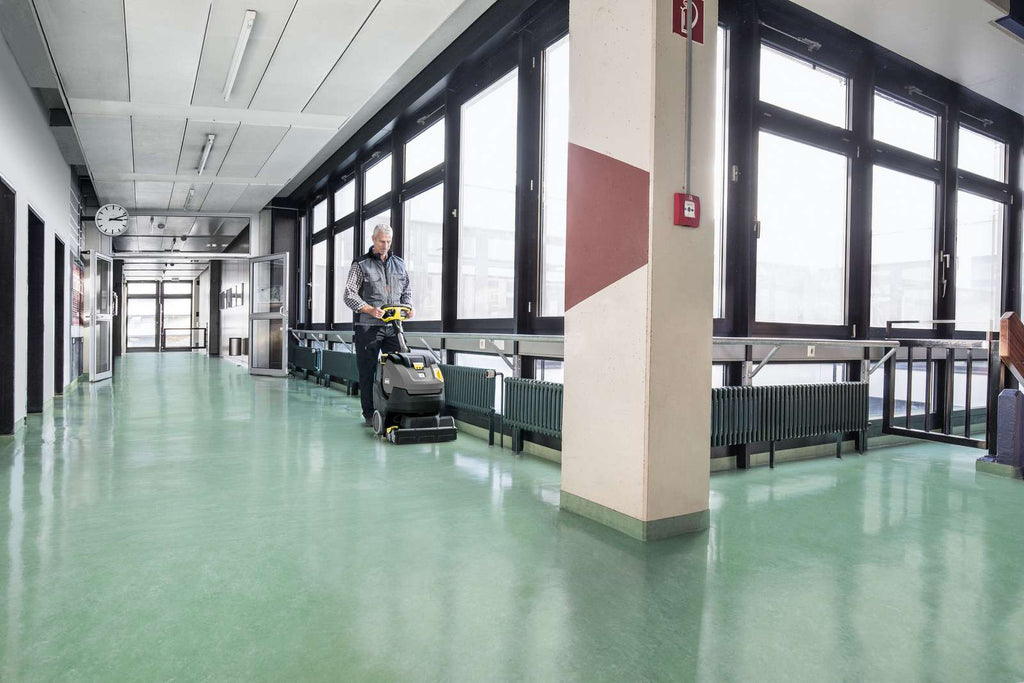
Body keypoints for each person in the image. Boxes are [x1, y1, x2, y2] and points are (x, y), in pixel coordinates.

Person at [343, 224, 414, 426]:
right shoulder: (361, 264)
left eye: (389, 241)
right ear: (373, 239)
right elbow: (349, 295)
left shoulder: (399, 263)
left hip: (394, 327)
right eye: (382, 241)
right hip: (368, 328)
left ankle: (397, 410)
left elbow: (407, 290)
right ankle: (369, 414)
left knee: (400, 368)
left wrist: (409, 306)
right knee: (367, 371)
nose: (386, 245)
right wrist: (368, 309)